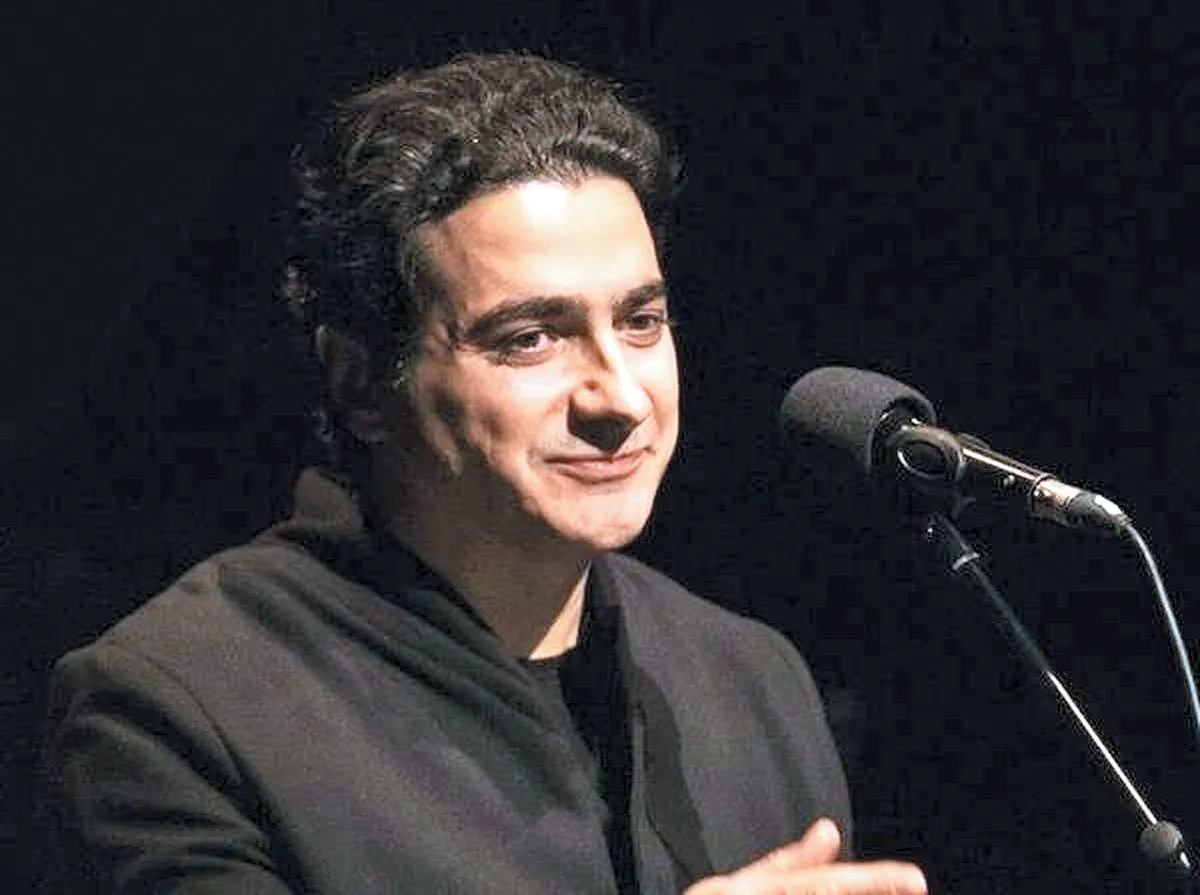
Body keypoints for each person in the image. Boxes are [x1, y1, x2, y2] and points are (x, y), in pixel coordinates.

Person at [42, 53, 927, 894]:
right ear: (361, 384)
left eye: (641, 321)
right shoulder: (178, 705)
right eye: (531, 338)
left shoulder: (751, 677)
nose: (620, 398)